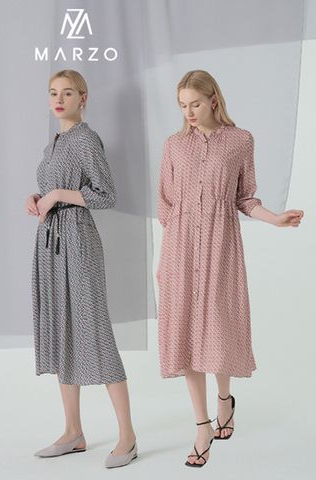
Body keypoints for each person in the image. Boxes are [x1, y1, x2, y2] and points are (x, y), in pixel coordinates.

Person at [156, 69, 304, 468]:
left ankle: (225, 399)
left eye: (195, 104)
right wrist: (166, 260)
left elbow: (245, 197)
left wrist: (275, 219)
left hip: (221, 246)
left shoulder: (240, 140)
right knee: (186, 333)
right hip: (180, 249)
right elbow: (166, 206)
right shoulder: (174, 145)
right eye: (182, 106)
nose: (189, 112)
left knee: (218, 328)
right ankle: (202, 425)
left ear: (213, 100)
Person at [25, 69, 137, 469]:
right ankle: (73, 432)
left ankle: (127, 436)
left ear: (82, 98)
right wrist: (39, 198)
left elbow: (106, 195)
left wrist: (58, 194)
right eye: (53, 92)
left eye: (67, 93)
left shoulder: (86, 139)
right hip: (50, 242)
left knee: (94, 332)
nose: (59, 99)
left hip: (78, 241)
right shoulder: (54, 142)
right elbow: (56, 191)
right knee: (61, 330)